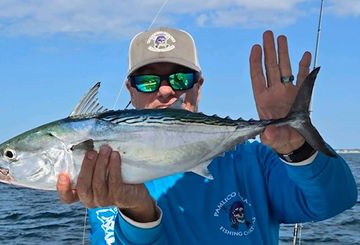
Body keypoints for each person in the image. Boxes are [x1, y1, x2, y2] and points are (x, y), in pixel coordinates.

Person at [56, 27, 357, 244]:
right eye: (147, 81)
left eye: (180, 78)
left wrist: (297, 146)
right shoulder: (108, 176)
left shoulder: (252, 160)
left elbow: (335, 200)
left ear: (199, 86)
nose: (166, 90)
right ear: (130, 90)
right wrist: (138, 212)